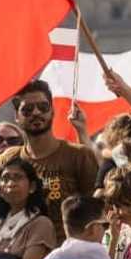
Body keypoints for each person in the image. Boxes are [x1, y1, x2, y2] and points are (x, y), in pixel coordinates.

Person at [13, 80, 99, 244]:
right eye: (27, 109)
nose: (36, 113)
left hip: (67, 254)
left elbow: (96, 210)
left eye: (43, 107)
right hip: (19, 253)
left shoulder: (79, 155)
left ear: (52, 111)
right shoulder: (9, 159)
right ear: (16, 116)